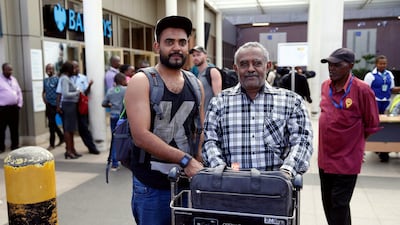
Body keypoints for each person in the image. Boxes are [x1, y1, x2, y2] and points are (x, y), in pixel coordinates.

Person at [124, 15, 204, 225]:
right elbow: (140, 136)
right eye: (170, 42)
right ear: (156, 46)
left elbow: (200, 130)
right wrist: (186, 160)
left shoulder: (195, 84)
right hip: (151, 186)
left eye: (182, 42)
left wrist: (200, 163)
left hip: (187, 183)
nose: (177, 47)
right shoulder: (142, 81)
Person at [202, 42, 313, 179]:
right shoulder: (219, 103)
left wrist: (286, 171)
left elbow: (302, 141)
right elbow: (209, 141)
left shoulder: (291, 101)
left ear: (268, 66)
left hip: (275, 188)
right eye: (244, 64)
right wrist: (221, 172)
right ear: (236, 69)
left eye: (257, 63)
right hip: (230, 187)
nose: (250, 69)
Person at [319, 48, 381, 225]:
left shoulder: (363, 90)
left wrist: (356, 146)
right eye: (330, 64)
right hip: (325, 159)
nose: (332, 68)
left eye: (337, 65)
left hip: (347, 161)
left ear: (350, 66)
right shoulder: (325, 86)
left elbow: (371, 124)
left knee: (339, 205)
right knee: (330, 205)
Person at [363, 55, 400, 162]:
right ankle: (369, 146)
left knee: (385, 125)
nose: (383, 65)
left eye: (384, 63)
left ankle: (383, 149)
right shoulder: (370, 76)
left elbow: (392, 89)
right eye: (381, 63)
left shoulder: (389, 75)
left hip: (386, 103)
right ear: (376, 64)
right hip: (374, 102)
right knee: (372, 124)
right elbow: (365, 90)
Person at [71, 61, 100, 155]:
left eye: (77, 67)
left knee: (83, 127)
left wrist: (89, 85)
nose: (76, 69)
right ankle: (71, 149)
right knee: (70, 128)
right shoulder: (67, 78)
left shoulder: (83, 78)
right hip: (71, 104)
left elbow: (86, 92)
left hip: (80, 105)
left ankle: (92, 147)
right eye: (74, 67)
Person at [102, 73, 127, 170]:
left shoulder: (110, 90)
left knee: (114, 138)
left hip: (113, 116)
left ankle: (114, 163)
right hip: (122, 117)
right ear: (122, 80)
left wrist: (111, 105)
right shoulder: (126, 90)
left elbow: (104, 103)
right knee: (124, 138)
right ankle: (125, 159)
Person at [58, 61, 81, 159]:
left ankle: (72, 149)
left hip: (71, 105)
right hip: (68, 105)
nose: (74, 70)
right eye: (73, 68)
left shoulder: (66, 78)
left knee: (71, 129)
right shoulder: (64, 79)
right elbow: (65, 93)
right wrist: (77, 92)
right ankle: (68, 150)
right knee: (67, 129)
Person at [190, 45, 222, 111]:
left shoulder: (212, 71)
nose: (195, 58)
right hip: (199, 116)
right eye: (193, 55)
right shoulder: (197, 74)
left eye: (198, 55)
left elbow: (218, 97)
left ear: (205, 55)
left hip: (210, 115)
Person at [0, 63, 23, 153]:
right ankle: (1, 147)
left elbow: (19, 92)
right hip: (2, 109)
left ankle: (15, 145)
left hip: (14, 108)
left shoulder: (14, 80)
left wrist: (19, 104)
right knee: (1, 129)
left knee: (14, 128)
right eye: (8, 70)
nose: (11, 71)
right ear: (3, 70)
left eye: (11, 70)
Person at [42, 63, 64, 150]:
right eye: (47, 69)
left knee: (52, 124)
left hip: (56, 104)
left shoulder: (57, 79)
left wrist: (59, 104)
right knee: (51, 124)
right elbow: (43, 91)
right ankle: (60, 137)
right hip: (49, 105)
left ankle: (53, 143)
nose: (49, 70)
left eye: (50, 69)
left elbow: (60, 92)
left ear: (53, 70)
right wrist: (44, 98)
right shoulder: (45, 80)